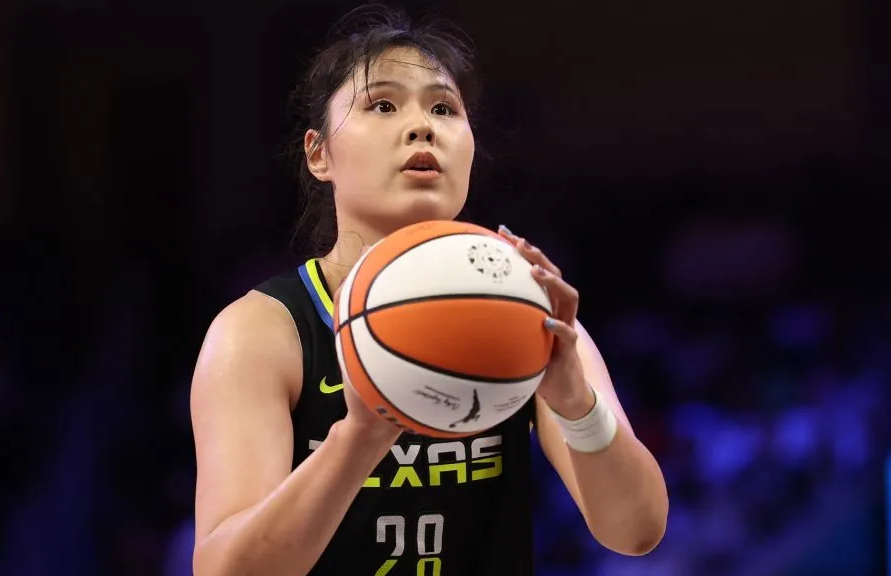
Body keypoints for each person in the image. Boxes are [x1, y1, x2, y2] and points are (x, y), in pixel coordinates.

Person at [189, 5, 669, 575]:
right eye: (383, 105)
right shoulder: (262, 331)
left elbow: (637, 532)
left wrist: (574, 403)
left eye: (444, 108)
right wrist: (360, 440)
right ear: (319, 154)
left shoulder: (526, 312)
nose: (423, 127)